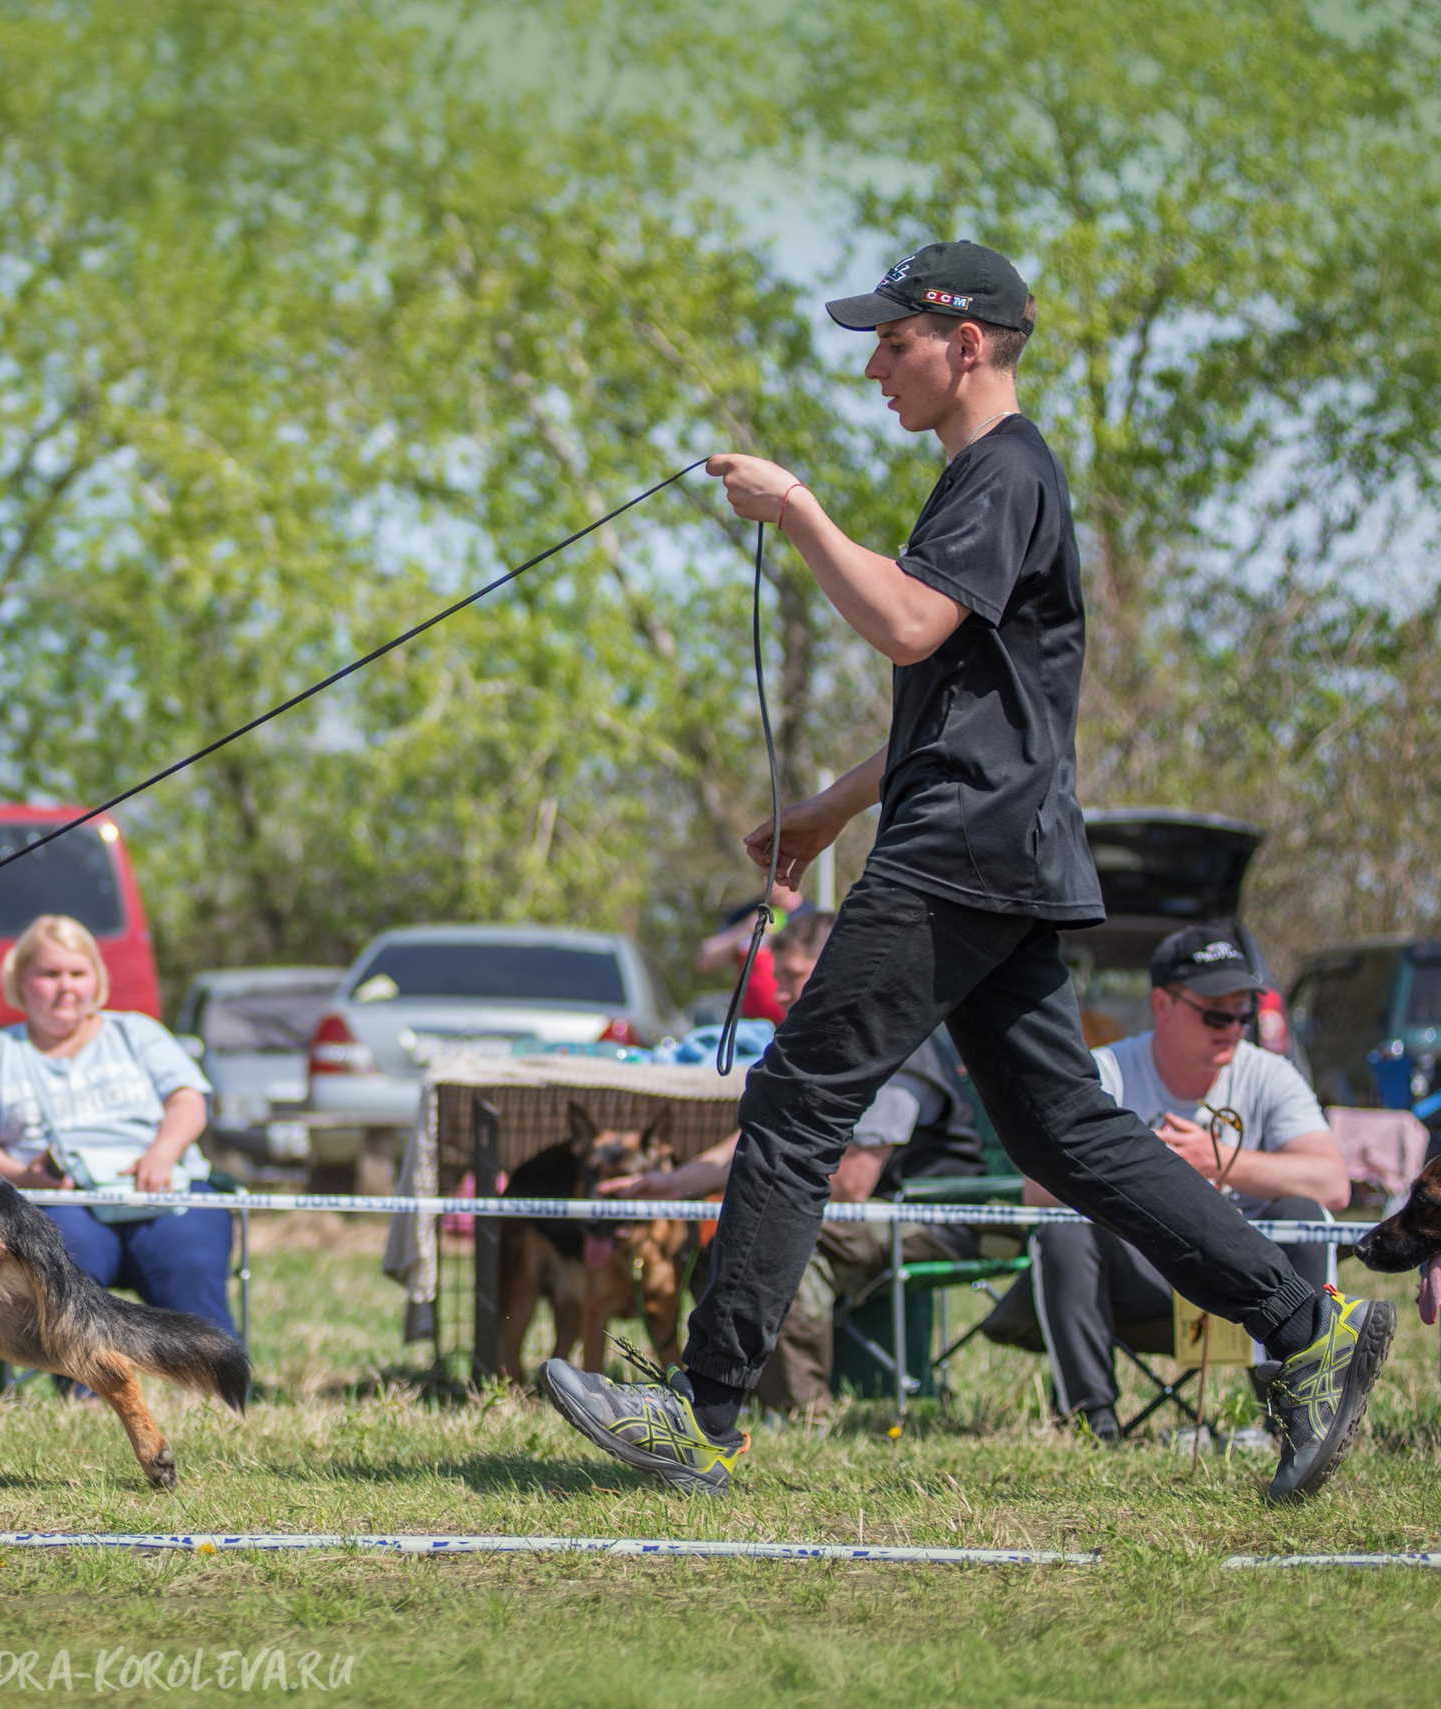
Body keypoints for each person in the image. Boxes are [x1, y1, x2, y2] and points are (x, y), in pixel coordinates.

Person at [542, 241, 1391, 1504]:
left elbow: (904, 625)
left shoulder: (1002, 470)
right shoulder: (989, 478)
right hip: (997, 845)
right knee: (1066, 1131)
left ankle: (702, 1413)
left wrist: (795, 507)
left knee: (795, 1104)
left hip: (960, 853)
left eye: (894, 343)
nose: (875, 368)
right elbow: (963, 701)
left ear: (968, 343)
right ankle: (1308, 1331)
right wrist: (830, 807)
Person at [604, 911, 986, 1416]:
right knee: (725, 1239)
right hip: (864, 1215)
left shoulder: (894, 1045)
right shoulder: (818, 1048)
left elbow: (851, 1185)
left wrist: (758, 1200)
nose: (780, 994)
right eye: (777, 977)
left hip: (935, 1218)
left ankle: (801, 1412)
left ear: (837, 969)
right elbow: (760, 1141)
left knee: (778, 1236)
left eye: (794, 977)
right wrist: (671, 1183)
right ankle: (739, 1397)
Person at [1026, 928, 1348, 1443]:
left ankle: (1298, 1420)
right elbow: (1035, 1189)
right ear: (1163, 1004)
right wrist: (1140, 1168)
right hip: (1146, 1272)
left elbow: (1333, 1182)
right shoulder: (1107, 1071)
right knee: (1063, 1230)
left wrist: (1221, 1161)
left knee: (1304, 1213)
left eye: (1244, 1013)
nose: (1234, 1028)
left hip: (1256, 1280)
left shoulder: (1271, 1074)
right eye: (1217, 1014)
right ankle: (1093, 1427)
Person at [0, 914, 236, 1338]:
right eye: (50, 974)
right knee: (69, 1265)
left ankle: (212, 1372)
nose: (66, 987)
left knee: (191, 1262)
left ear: (97, 979)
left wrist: (162, 1153)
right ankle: (85, 1378)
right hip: (58, 1203)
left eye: (78, 973)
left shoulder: (137, 1033)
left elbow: (189, 1100)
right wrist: (23, 1174)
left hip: (163, 1192)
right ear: (20, 982)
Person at [695, 882, 806, 1023]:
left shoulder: (810, 916)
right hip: (749, 1021)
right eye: (765, 874)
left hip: (795, 1018)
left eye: (780, 874)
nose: (770, 882)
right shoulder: (747, 914)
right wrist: (746, 930)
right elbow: (705, 960)